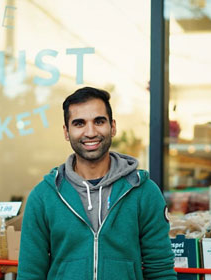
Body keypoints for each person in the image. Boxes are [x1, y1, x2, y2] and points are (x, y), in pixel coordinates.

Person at [17, 87, 176, 280]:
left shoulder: (143, 192)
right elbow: (30, 274)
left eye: (99, 121)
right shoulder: (44, 196)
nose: (90, 132)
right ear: (66, 132)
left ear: (113, 126)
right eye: (79, 123)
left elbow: (160, 271)